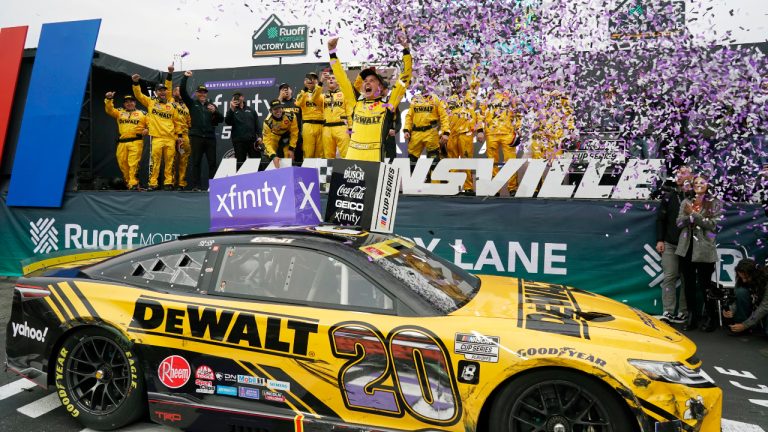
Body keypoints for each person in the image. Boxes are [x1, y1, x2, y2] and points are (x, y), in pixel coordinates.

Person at [327, 33, 412, 162]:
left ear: (380, 86)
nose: (367, 82)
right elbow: (341, 78)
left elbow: (405, 78)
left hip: (374, 160)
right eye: (365, 80)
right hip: (352, 159)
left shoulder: (389, 103)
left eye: (372, 80)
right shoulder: (356, 101)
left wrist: (406, 50)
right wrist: (332, 52)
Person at [676, 175, 724, 331]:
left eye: (702, 183)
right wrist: (689, 217)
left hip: (704, 250)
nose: (698, 185)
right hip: (686, 249)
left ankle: (711, 317)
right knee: (688, 285)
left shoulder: (715, 203)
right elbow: (678, 222)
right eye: (695, 183)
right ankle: (692, 316)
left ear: (708, 185)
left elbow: (713, 226)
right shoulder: (686, 202)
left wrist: (694, 216)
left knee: (705, 285)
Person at [131, 76, 184, 191]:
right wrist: (135, 83)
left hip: (170, 138)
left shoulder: (172, 106)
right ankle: (153, 183)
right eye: (160, 90)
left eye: (164, 90)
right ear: (156, 92)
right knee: (155, 162)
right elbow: (138, 95)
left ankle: (168, 183)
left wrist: (179, 136)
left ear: (167, 92)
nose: (162, 92)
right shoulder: (151, 102)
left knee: (170, 162)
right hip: (157, 138)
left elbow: (177, 122)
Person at [655, 165, 693, 323]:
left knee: (686, 278)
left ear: (691, 177)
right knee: (669, 276)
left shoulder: (697, 196)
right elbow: (660, 220)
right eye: (678, 172)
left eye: (683, 173)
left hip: (689, 244)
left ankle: (684, 312)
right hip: (670, 243)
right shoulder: (669, 196)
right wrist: (660, 240)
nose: (679, 175)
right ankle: (668, 311)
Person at [181, 71, 224, 191]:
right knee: (196, 162)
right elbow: (183, 92)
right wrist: (185, 77)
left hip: (210, 138)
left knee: (212, 163)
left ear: (206, 94)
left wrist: (215, 111)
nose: (202, 94)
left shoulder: (211, 105)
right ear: (196, 93)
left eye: (204, 92)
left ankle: (213, 187)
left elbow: (221, 119)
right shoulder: (192, 104)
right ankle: (197, 186)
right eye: (200, 92)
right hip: (196, 137)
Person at [477, 85, 522, 192]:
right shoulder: (487, 95)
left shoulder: (511, 95)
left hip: (508, 133)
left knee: (511, 161)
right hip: (491, 134)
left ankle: (512, 188)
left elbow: (518, 112)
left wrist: (519, 127)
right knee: (492, 162)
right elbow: (480, 113)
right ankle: (494, 188)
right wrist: (479, 130)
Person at [104, 92, 147, 190]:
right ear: (124, 104)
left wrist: (147, 129)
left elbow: (152, 122)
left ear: (135, 103)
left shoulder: (142, 113)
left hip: (136, 141)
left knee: (133, 163)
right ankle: (129, 183)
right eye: (126, 102)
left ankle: (134, 183)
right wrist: (108, 99)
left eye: (131, 101)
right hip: (122, 142)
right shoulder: (120, 112)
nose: (129, 103)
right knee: (122, 164)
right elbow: (109, 110)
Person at [723, 259, 768, 336]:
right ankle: (741, 325)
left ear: (754, 274)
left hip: (764, 305)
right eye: (741, 277)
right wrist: (731, 310)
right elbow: (736, 299)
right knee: (740, 292)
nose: (744, 281)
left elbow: (764, 306)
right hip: (756, 304)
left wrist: (745, 325)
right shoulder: (741, 279)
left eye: (746, 278)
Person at [165, 65, 192, 190]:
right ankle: (170, 183)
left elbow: (189, 122)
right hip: (172, 135)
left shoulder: (186, 107)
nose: (178, 92)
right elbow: (168, 86)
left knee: (183, 161)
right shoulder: (170, 100)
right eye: (177, 90)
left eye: (180, 91)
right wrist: (170, 73)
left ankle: (181, 184)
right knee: (171, 160)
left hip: (184, 137)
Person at [404, 90, 449, 163]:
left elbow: (444, 116)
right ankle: (413, 174)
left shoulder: (436, 99)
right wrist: (406, 130)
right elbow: (409, 116)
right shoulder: (415, 99)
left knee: (434, 160)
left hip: (431, 132)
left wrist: (446, 132)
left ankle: (432, 174)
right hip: (416, 133)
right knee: (411, 161)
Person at [445, 92, 478, 194]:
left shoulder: (469, 99)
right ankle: (453, 186)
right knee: (452, 161)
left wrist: (475, 129)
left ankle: (468, 187)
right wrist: (444, 133)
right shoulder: (446, 99)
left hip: (465, 134)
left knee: (466, 161)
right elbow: (443, 118)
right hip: (451, 135)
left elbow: (475, 116)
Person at [225, 92, 263, 170]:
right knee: (240, 164)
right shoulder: (232, 111)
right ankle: (241, 181)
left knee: (257, 163)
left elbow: (257, 125)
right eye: (234, 98)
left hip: (252, 142)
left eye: (238, 97)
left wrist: (260, 136)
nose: (236, 99)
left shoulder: (251, 110)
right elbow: (228, 122)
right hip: (239, 143)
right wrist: (231, 109)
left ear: (242, 97)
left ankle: (260, 181)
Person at [296, 72, 325, 159]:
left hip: (321, 125)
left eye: (314, 79)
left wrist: (320, 84)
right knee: (308, 153)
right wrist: (305, 90)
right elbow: (298, 103)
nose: (311, 80)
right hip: (308, 125)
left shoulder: (322, 95)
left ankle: (319, 172)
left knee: (320, 154)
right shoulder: (301, 94)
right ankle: (307, 172)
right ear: (305, 81)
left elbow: (315, 97)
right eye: (309, 78)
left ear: (316, 81)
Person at [323, 73, 352, 158]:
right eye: (329, 78)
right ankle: (329, 171)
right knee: (328, 155)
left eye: (333, 78)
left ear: (338, 82)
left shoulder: (344, 95)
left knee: (346, 153)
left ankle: (346, 170)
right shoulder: (323, 96)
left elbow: (349, 112)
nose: (331, 80)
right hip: (327, 128)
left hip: (341, 127)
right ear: (327, 82)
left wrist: (350, 130)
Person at [262, 99, 299, 164]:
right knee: (267, 155)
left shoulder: (291, 115)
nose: (278, 111)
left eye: (279, 108)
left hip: (287, 136)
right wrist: (273, 156)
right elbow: (266, 141)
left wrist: (291, 148)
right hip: (275, 136)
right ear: (271, 110)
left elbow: (294, 133)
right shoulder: (267, 122)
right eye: (275, 109)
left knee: (288, 156)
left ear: (282, 108)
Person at [276, 82, 302, 162]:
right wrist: (280, 98)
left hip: (296, 135)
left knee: (298, 159)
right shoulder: (278, 103)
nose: (286, 90)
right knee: (284, 160)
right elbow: (272, 116)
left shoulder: (297, 102)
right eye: (283, 89)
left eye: (287, 88)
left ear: (291, 90)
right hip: (282, 137)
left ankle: (299, 174)